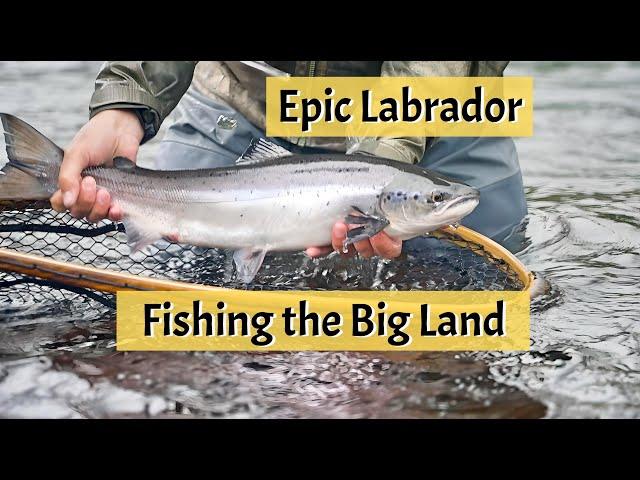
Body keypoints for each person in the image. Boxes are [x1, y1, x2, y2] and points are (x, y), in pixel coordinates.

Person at [51, 61, 527, 259]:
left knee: (476, 295)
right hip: (247, 96)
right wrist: (125, 104)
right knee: (173, 267)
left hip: (440, 109)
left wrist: (379, 168)